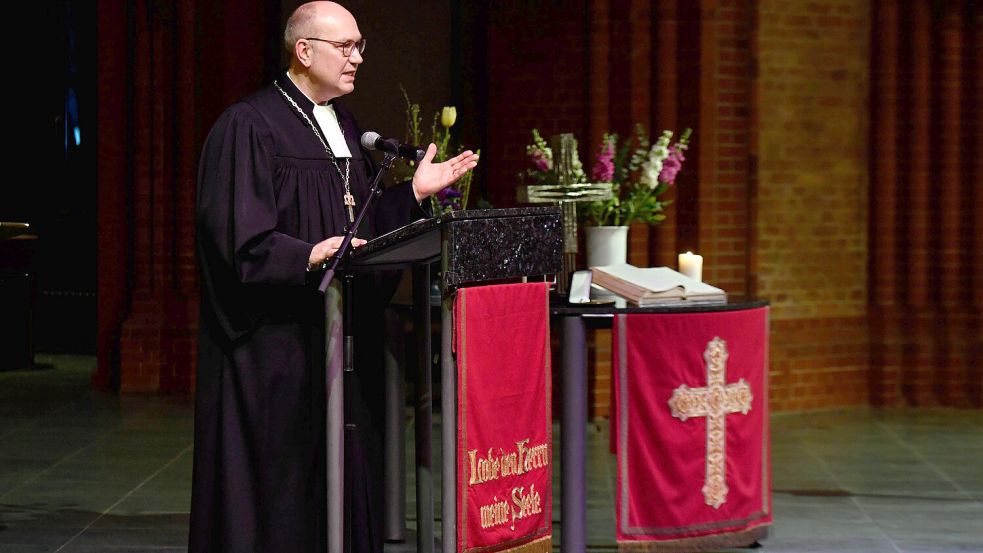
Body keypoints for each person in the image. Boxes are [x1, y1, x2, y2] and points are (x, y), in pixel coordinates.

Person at [189, 2, 479, 552]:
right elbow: (236, 240)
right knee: (284, 495)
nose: (357, 59)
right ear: (304, 51)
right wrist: (305, 255)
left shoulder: (343, 126)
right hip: (276, 350)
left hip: (337, 338)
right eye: (345, 47)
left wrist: (414, 194)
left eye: (359, 46)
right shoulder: (248, 125)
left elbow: (360, 231)